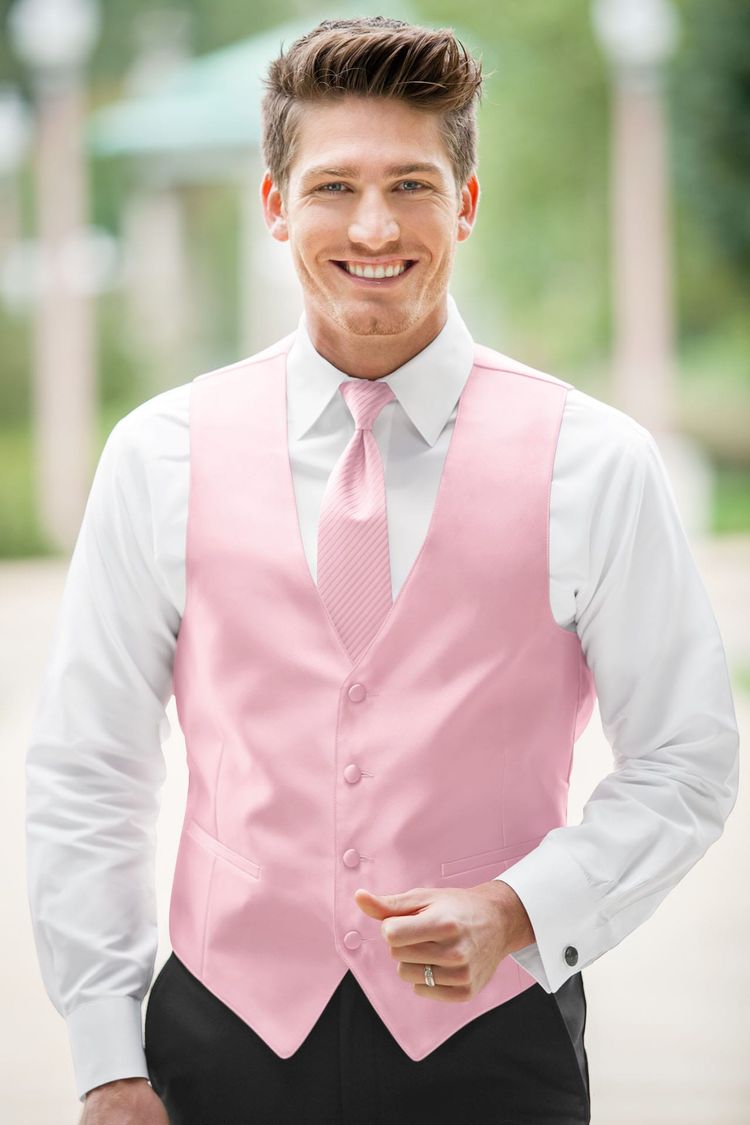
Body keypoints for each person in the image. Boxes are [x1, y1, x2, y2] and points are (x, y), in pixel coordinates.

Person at [25, 15, 739, 1125]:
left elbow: (687, 758)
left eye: (411, 184)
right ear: (275, 205)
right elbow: (89, 769)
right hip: (218, 1038)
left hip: (497, 1043)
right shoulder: (159, 452)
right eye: (331, 186)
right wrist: (109, 1057)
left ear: (465, 201)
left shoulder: (593, 463)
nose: (373, 226)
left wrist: (519, 908)